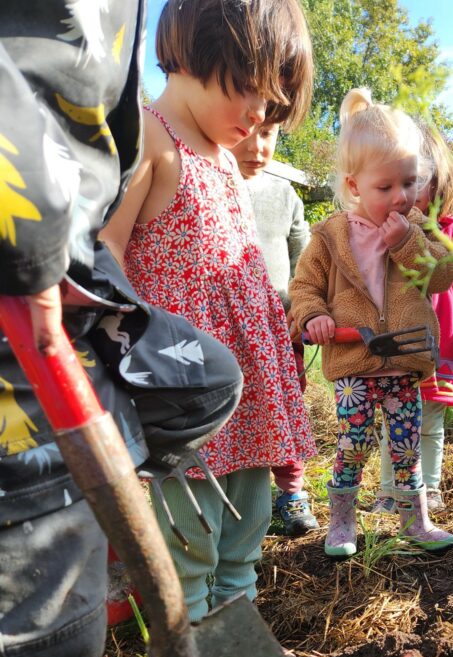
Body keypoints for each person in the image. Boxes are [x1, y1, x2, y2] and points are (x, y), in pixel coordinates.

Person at [0, 0, 243, 657]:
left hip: (58, 263)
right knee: (50, 639)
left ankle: (89, 557)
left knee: (202, 384)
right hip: (12, 240)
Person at [101, 0, 317, 622]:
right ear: (193, 52)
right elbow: (106, 249)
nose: (257, 117)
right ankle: (191, 636)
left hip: (246, 378)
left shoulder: (227, 158)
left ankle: (239, 627)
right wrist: (128, 343)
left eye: (271, 106)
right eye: (250, 90)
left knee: (246, 516)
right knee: (189, 528)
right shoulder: (150, 136)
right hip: (186, 376)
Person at [289, 88, 453, 558]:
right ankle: (342, 522)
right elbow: (304, 288)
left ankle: (416, 520)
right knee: (352, 445)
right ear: (354, 185)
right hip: (355, 369)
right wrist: (315, 316)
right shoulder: (330, 236)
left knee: (406, 447)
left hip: (403, 364)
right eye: (385, 187)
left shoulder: (420, 228)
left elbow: (444, 274)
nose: (400, 197)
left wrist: (408, 242)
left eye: (408, 183)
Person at [374, 124, 453, 514]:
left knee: (428, 423)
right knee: (394, 422)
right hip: (399, 346)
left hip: (439, 348)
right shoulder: (384, 234)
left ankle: (428, 488)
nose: (405, 194)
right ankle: (389, 491)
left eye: (415, 182)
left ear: (437, 183)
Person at [232, 121, 319, 538]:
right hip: (226, 328)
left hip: (280, 330)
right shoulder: (211, 185)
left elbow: (305, 264)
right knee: (236, 410)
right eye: (247, 133)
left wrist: (303, 311)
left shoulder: (284, 195)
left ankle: (291, 494)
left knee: (284, 409)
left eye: (268, 133)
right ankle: (242, 494)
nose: (258, 146)